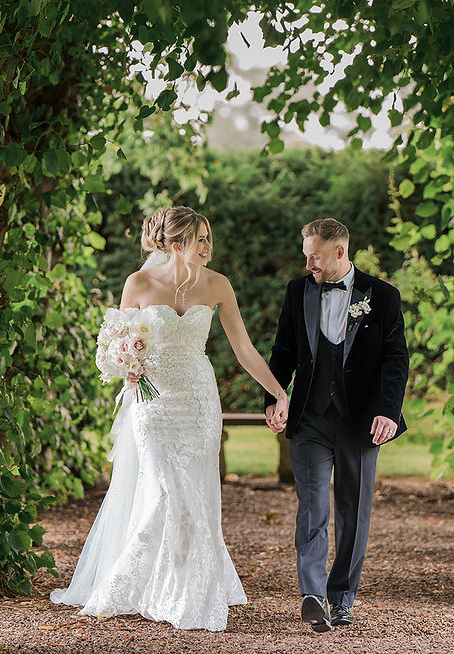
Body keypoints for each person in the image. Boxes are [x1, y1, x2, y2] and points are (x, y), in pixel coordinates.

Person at [51, 206, 289, 632]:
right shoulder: (138, 283)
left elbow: (244, 349)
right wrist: (125, 363)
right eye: (200, 239)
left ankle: (190, 584)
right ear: (176, 245)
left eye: (207, 238)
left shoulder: (218, 285)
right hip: (153, 403)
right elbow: (113, 342)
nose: (207, 246)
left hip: (198, 400)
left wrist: (278, 390)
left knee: (195, 489)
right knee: (163, 489)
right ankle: (148, 583)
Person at [264, 218, 408, 632]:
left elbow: (396, 360)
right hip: (309, 418)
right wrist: (274, 396)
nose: (308, 263)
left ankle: (342, 598)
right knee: (313, 506)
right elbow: (283, 351)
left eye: (315, 256)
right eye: (306, 256)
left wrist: (388, 410)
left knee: (353, 510)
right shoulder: (298, 292)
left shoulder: (382, 296)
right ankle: (313, 595)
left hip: (361, 420)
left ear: (339, 252)